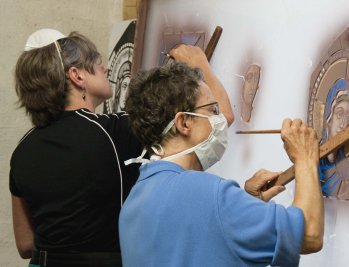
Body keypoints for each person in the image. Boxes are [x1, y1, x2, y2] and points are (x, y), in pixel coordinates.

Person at [9, 29, 223, 267]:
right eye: (97, 63)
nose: (106, 69)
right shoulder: (113, 133)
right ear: (77, 76)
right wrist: (199, 64)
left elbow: (26, 244)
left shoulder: (22, 150)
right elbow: (213, 123)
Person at [119, 62, 324, 266]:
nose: (220, 120)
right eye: (212, 110)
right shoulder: (208, 195)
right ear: (184, 123)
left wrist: (247, 206)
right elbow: (309, 235)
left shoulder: (135, 200)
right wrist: (305, 158)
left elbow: (200, 242)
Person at [318, 79, 349, 200]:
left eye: (347, 116)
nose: (343, 125)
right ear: (329, 117)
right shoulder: (314, 162)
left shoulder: (345, 168)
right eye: (339, 113)